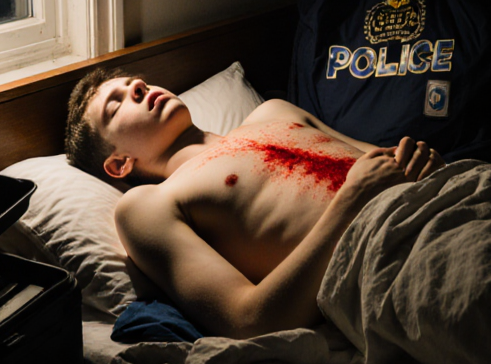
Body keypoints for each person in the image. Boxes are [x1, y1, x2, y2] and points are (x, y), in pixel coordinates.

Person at [64, 67, 444, 339]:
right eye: (116, 105)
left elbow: (387, 161)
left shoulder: (274, 112)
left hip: (451, 198)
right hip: (395, 258)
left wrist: (424, 162)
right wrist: (350, 202)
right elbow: (247, 319)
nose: (139, 88)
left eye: (138, 84)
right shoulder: (148, 204)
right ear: (119, 164)